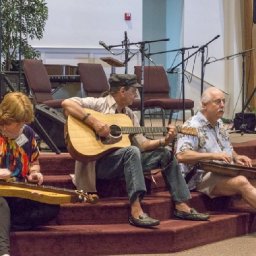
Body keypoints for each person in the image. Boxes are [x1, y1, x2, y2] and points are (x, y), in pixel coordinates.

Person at [61, 73, 209, 228]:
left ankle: (181, 205)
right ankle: (136, 208)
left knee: (165, 153)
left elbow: (142, 144)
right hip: (96, 165)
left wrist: (164, 141)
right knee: (131, 151)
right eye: (133, 91)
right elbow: (66, 103)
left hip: (121, 163)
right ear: (122, 91)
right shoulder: (97, 104)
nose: (136, 95)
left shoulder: (130, 115)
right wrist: (95, 123)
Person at [0, 92, 60, 256]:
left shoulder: (27, 133)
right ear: (6, 119)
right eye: (18, 124)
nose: (21, 128)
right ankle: (3, 252)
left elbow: (34, 162)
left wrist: (35, 173)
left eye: (23, 124)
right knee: (1, 204)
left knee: (51, 207)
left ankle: (4, 223)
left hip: (19, 190)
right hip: (0, 195)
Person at [176, 87, 256, 208]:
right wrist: (213, 155)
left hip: (222, 169)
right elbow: (181, 155)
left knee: (252, 177)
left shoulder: (220, 124)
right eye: (218, 101)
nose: (222, 105)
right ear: (204, 105)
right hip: (199, 176)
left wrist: (237, 156)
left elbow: (226, 149)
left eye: (223, 101)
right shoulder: (191, 126)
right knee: (242, 181)